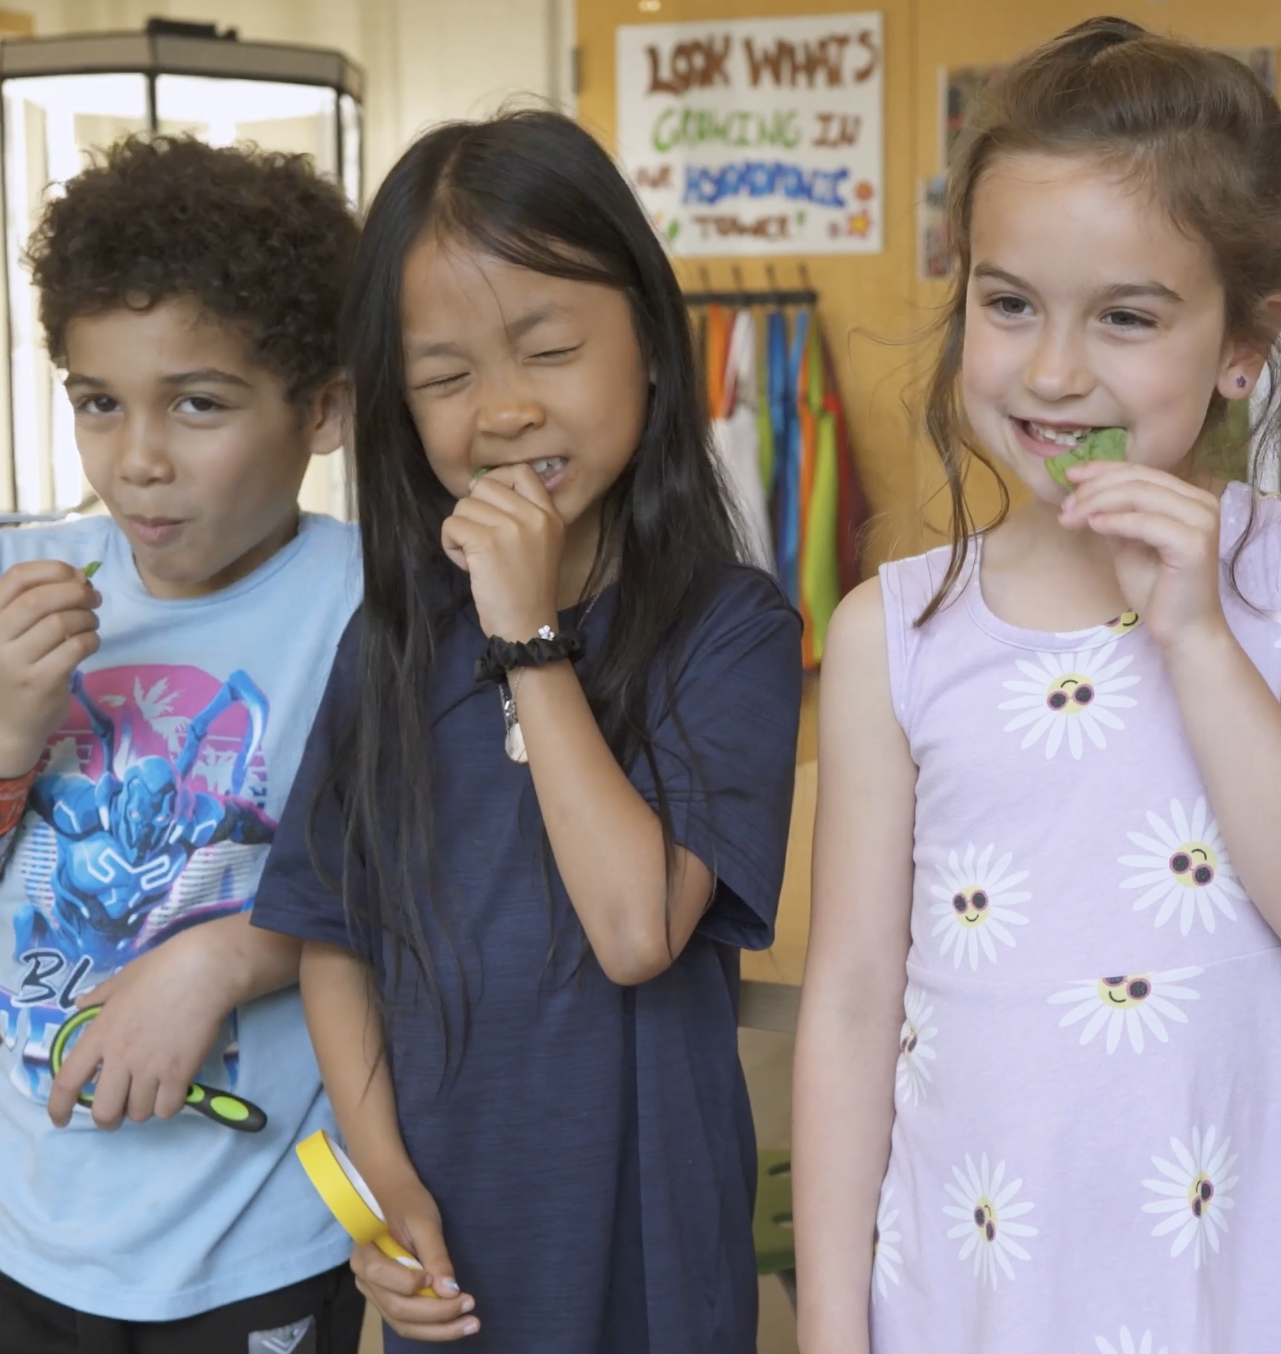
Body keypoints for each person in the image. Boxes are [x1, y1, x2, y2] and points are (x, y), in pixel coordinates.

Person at [791, 19, 1281, 1353]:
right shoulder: (893, 632)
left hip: (1228, 1296)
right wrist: (833, 1330)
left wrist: (1196, 638)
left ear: (1243, 345)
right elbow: (849, 1004)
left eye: (1126, 317)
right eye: (1009, 303)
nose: (1054, 370)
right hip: (965, 1300)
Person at [249, 110, 801, 1350]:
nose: (501, 411)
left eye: (548, 349)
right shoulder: (391, 640)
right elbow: (336, 934)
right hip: (455, 1240)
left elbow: (637, 929)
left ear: (649, 343)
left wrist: (527, 635)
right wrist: (385, 1175)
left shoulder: (731, 631)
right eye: (446, 378)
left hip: (652, 1249)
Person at [0, 136, 365, 1352]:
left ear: (323, 408)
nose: (136, 459)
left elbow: (431, 889)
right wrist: (3, 722)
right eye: (99, 402)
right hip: (18, 1227)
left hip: (259, 1240)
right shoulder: (15, 579)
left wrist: (223, 962)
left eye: (198, 403)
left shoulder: (372, 605)